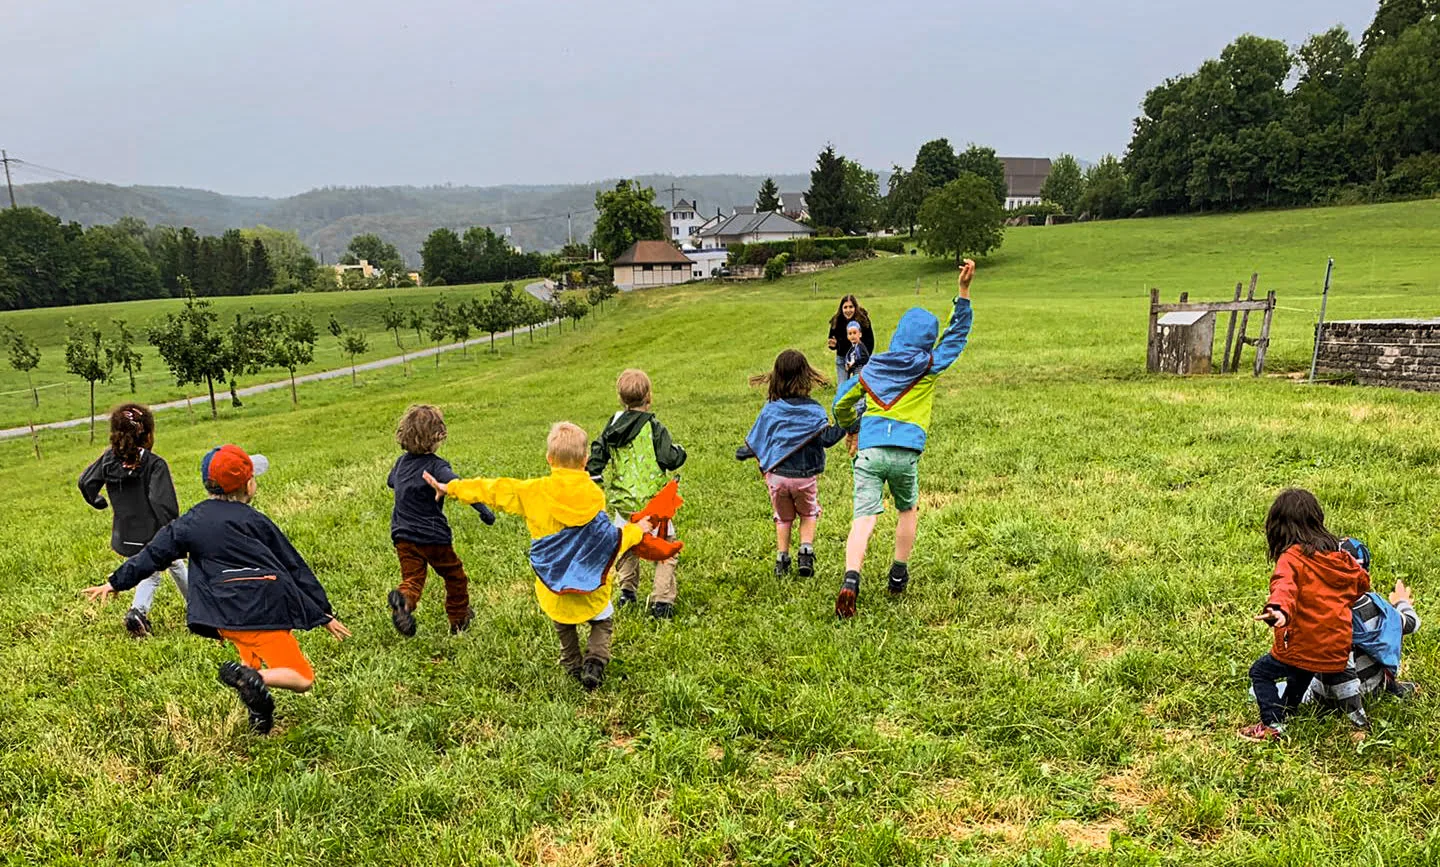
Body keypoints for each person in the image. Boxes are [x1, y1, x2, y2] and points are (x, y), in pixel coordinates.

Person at [82, 445, 350, 734]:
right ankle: (255, 679)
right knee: (301, 677)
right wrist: (323, 612)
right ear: (249, 486)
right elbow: (293, 564)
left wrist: (116, 581)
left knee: (248, 658)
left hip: (224, 616)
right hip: (264, 611)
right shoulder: (256, 520)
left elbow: (153, 553)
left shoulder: (190, 522)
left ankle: (258, 711)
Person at [423, 422, 654, 690]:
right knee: (602, 621)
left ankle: (571, 662)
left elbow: (495, 488)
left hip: (554, 584)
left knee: (562, 621)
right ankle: (595, 660)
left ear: (549, 459)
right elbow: (609, 540)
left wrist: (452, 487)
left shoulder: (534, 491)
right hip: (591, 587)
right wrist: (637, 530)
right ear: (585, 460)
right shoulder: (593, 495)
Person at [831, 260, 975, 618]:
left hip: (869, 450)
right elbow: (955, 338)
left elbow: (841, 402)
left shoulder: (873, 367)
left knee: (863, 516)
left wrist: (851, 427)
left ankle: (851, 578)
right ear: (927, 340)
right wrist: (963, 292)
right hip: (906, 452)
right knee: (907, 508)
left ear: (898, 334)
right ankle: (898, 574)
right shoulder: (929, 366)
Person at [1241, 489, 1371, 741]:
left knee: (1261, 672)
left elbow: (1284, 586)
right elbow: (1360, 583)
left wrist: (1278, 609)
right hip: (1336, 648)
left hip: (1303, 644)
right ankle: (1291, 712)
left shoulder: (1292, 557)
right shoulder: (1339, 557)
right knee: (1300, 674)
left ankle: (1272, 725)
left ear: (1279, 527)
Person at [77, 403, 189, 638]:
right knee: (153, 572)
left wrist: (98, 501)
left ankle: (196, 601)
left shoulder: (108, 459)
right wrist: (174, 533)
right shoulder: (155, 464)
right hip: (153, 533)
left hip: (126, 535)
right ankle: (137, 612)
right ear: (148, 435)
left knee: (173, 564)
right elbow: (162, 503)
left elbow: (86, 482)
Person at [736, 350, 850, 578]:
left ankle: (782, 559)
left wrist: (746, 452)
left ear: (776, 377)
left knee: (783, 518)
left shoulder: (771, 410)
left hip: (777, 478)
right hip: (804, 477)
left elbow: (754, 443)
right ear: (806, 375)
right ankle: (805, 552)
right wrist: (846, 422)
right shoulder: (813, 410)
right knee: (808, 513)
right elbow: (827, 439)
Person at [385, 404, 496, 638]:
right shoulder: (437, 466)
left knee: (413, 578)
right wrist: (484, 511)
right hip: (433, 536)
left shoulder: (401, 463)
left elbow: (391, 481)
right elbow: (459, 487)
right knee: (455, 576)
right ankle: (459, 619)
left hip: (402, 535)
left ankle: (404, 600)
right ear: (437, 436)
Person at [586, 369, 687, 619]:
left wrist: (594, 473)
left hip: (624, 504)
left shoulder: (612, 425)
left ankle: (627, 591)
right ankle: (662, 601)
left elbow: (598, 451)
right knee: (666, 549)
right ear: (649, 397)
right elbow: (669, 458)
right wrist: (680, 452)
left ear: (621, 399)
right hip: (653, 505)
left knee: (626, 545)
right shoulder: (654, 427)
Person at [1303, 538, 1420, 707]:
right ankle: (1390, 686)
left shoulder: (1314, 608)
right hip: (1366, 692)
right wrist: (1402, 602)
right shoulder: (1373, 607)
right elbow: (1412, 624)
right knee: (1389, 632)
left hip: (1320, 695)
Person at [827, 295, 875, 386]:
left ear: (855, 308)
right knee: (842, 388)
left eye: (851, 307)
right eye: (845, 307)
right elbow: (832, 340)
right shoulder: (837, 320)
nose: (848, 310)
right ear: (841, 309)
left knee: (859, 386)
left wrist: (862, 358)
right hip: (843, 359)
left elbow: (870, 342)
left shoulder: (863, 320)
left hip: (860, 360)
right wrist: (833, 345)